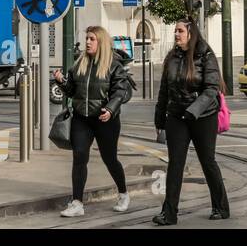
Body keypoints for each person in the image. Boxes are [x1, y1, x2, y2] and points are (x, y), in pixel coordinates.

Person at [52, 25, 133, 218]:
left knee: (109, 159)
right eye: (87, 38)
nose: (87, 42)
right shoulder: (79, 64)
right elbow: (72, 91)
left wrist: (110, 109)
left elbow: (120, 92)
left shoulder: (113, 65)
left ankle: (123, 194)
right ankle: (77, 202)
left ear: (101, 42)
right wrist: (61, 82)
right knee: (79, 157)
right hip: (82, 119)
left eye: (92, 39)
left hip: (105, 119)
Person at [153, 19, 228, 225]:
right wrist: (159, 119)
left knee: (207, 161)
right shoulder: (172, 57)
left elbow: (212, 89)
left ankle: (221, 207)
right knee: (175, 164)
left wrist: (193, 110)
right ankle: (169, 213)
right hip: (176, 116)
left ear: (190, 33)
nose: (176, 34)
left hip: (203, 117)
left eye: (180, 31)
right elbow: (164, 91)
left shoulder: (206, 55)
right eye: (175, 31)